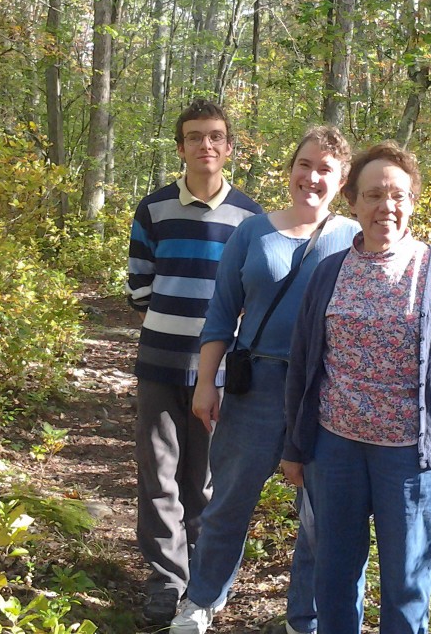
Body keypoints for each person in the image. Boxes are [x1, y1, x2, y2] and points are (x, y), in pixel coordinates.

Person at [281, 142, 431, 634]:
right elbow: (305, 363)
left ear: (412, 202)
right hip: (335, 451)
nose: (385, 207)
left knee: (407, 587)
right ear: (352, 201)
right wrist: (295, 446)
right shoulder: (330, 272)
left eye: (397, 195)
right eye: (372, 195)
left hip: (413, 461)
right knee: (333, 578)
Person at [170, 127, 359, 634]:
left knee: (320, 515)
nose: (311, 177)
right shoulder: (253, 232)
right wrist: (207, 383)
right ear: (290, 169)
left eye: (325, 169)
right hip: (255, 386)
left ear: (341, 182)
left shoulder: (353, 239)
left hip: (324, 393)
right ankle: (202, 600)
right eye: (304, 164)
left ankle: (306, 617)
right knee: (228, 501)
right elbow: (221, 314)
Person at [126, 98, 263, 627]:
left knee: (205, 478)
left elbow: (253, 296)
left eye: (215, 136)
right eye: (194, 136)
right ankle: (167, 580)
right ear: (180, 146)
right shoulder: (154, 208)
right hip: (159, 362)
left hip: (222, 372)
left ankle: (203, 582)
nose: (205, 145)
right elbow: (139, 289)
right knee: (157, 473)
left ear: (229, 147)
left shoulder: (251, 217)